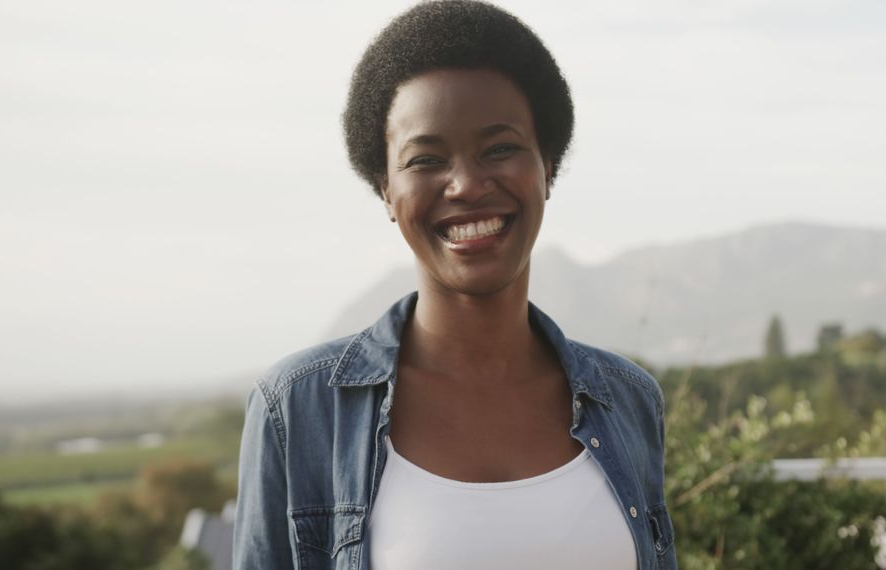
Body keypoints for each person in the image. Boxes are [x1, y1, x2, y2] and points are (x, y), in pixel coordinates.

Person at [233, 1, 676, 568]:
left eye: (500, 148)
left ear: (549, 166)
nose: (466, 184)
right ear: (386, 191)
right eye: (425, 160)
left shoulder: (629, 399)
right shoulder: (298, 410)